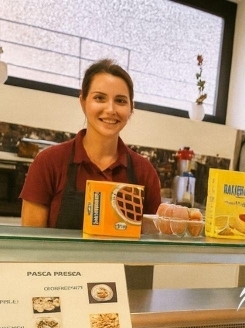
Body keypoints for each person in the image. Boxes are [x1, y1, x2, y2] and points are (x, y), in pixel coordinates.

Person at [20, 59, 161, 228]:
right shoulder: (48, 163)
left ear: (131, 108)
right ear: (83, 102)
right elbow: (32, 240)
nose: (110, 110)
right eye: (99, 98)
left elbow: (152, 240)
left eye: (120, 101)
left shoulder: (144, 172)